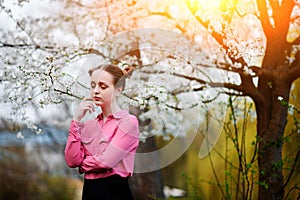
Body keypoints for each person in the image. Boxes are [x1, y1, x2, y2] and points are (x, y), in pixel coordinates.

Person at [64, 64, 139, 200]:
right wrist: (76, 120)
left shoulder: (128, 122)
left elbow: (106, 161)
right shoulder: (89, 125)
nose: (95, 91)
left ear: (118, 90)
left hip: (115, 192)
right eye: (93, 86)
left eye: (103, 86)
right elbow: (72, 160)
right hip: (90, 191)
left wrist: (83, 165)